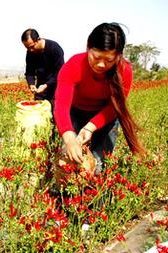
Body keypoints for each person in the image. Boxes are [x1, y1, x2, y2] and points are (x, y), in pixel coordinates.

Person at [54, 22, 145, 174]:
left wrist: (91, 126)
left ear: (118, 56)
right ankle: (69, 197)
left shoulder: (125, 71)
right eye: (96, 57)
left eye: (109, 60)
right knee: (71, 161)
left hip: (106, 117)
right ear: (88, 47)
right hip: (75, 112)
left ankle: (97, 196)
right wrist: (69, 139)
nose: (101, 64)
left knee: (97, 164)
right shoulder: (74, 65)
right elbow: (62, 106)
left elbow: (114, 107)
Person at [21, 28, 65, 113]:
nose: (31, 50)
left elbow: (60, 72)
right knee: (39, 115)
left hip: (56, 88)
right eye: (27, 48)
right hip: (40, 90)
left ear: (38, 40)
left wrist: (46, 85)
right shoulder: (30, 53)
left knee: (55, 115)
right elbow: (29, 72)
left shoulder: (54, 48)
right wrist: (31, 84)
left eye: (32, 47)